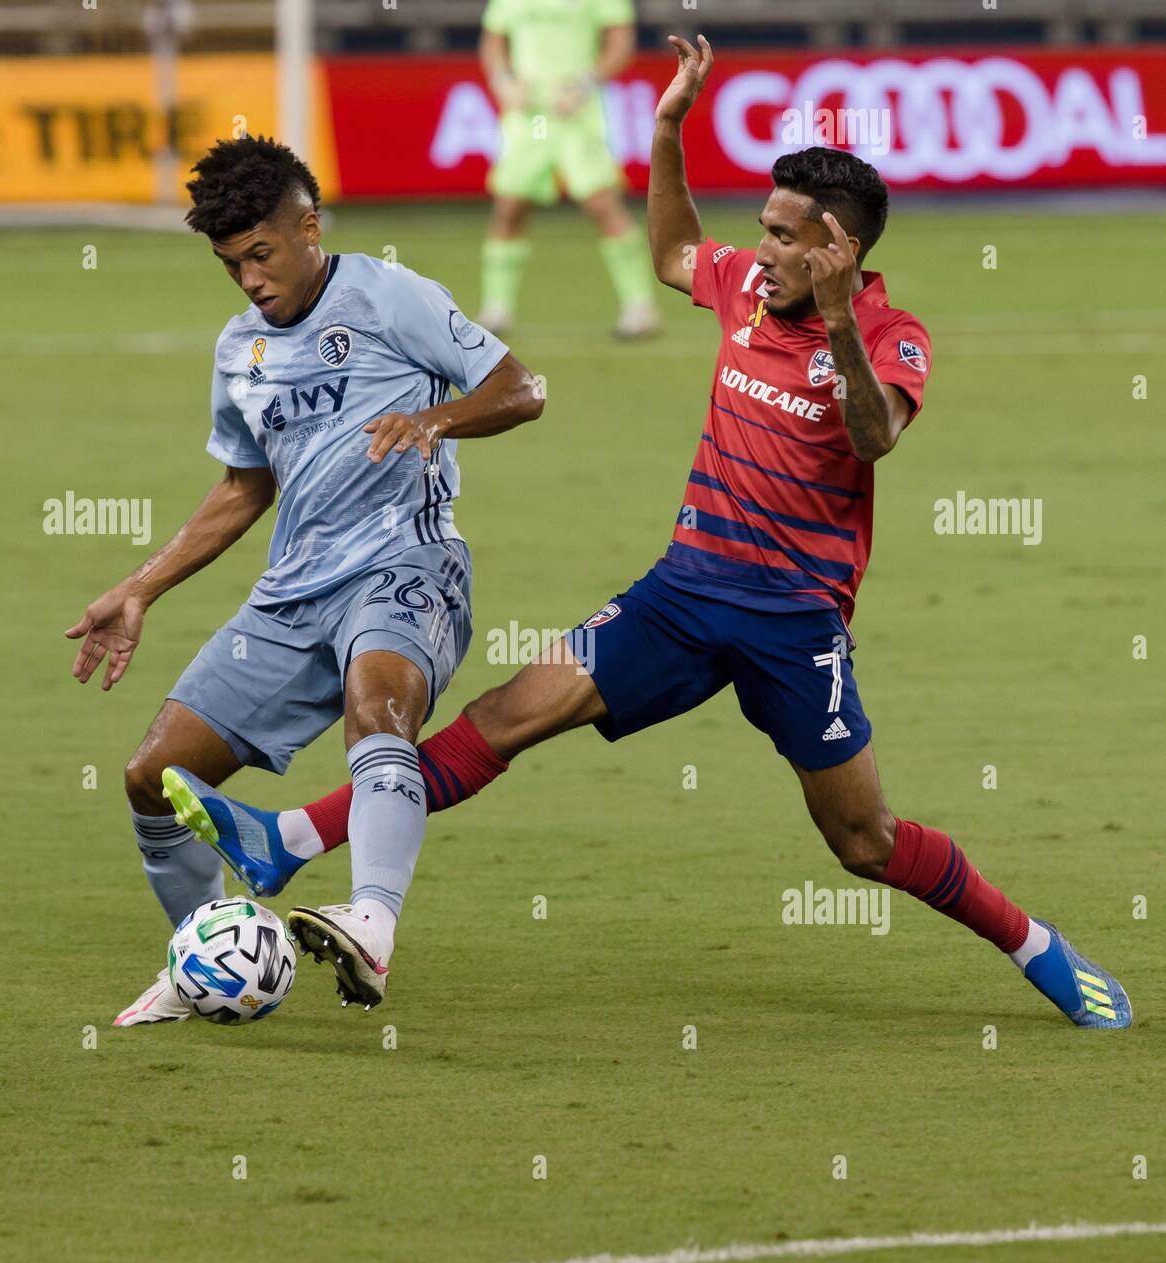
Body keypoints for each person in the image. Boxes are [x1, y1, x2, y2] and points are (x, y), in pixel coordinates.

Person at [164, 42, 1131, 1031]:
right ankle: (286, 838)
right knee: (506, 714)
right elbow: (672, 252)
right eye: (758, 228)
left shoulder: (889, 333)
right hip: (679, 591)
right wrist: (667, 129)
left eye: (782, 235)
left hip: (790, 621)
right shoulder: (744, 293)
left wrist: (839, 321)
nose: (756, 250)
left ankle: (1035, 947)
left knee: (862, 840)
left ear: (833, 247)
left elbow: (872, 435)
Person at [65, 135, 544, 1023]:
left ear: (309, 229)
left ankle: (373, 923)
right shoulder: (238, 349)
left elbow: (522, 389)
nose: (248, 278)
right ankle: (208, 959)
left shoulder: (386, 294)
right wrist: (142, 585)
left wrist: (435, 419)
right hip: (291, 597)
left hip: (408, 563)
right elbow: (245, 486)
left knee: (380, 706)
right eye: (230, 262)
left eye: (261, 253)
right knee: (153, 777)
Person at [478, 0, 660, 338]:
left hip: (576, 113)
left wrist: (586, 82)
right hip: (527, 115)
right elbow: (493, 40)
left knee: (601, 203)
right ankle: (496, 309)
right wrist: (503, 79)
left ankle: (640, 306)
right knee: (509, 207)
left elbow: (620, 42)